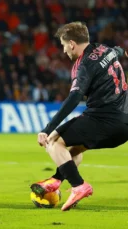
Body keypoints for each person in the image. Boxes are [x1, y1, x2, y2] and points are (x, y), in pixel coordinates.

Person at [30, 22, 128, 211]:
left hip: (103, 119)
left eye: (63, 45)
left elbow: (75, 97)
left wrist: (47, 128)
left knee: (53, 141)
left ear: (72, 43)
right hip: (124, 125)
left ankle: (78, 186)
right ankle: (55, 181)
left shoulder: (83, 65)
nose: (64, 50)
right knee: (74, 149)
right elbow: (121, 50)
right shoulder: (104, 49)